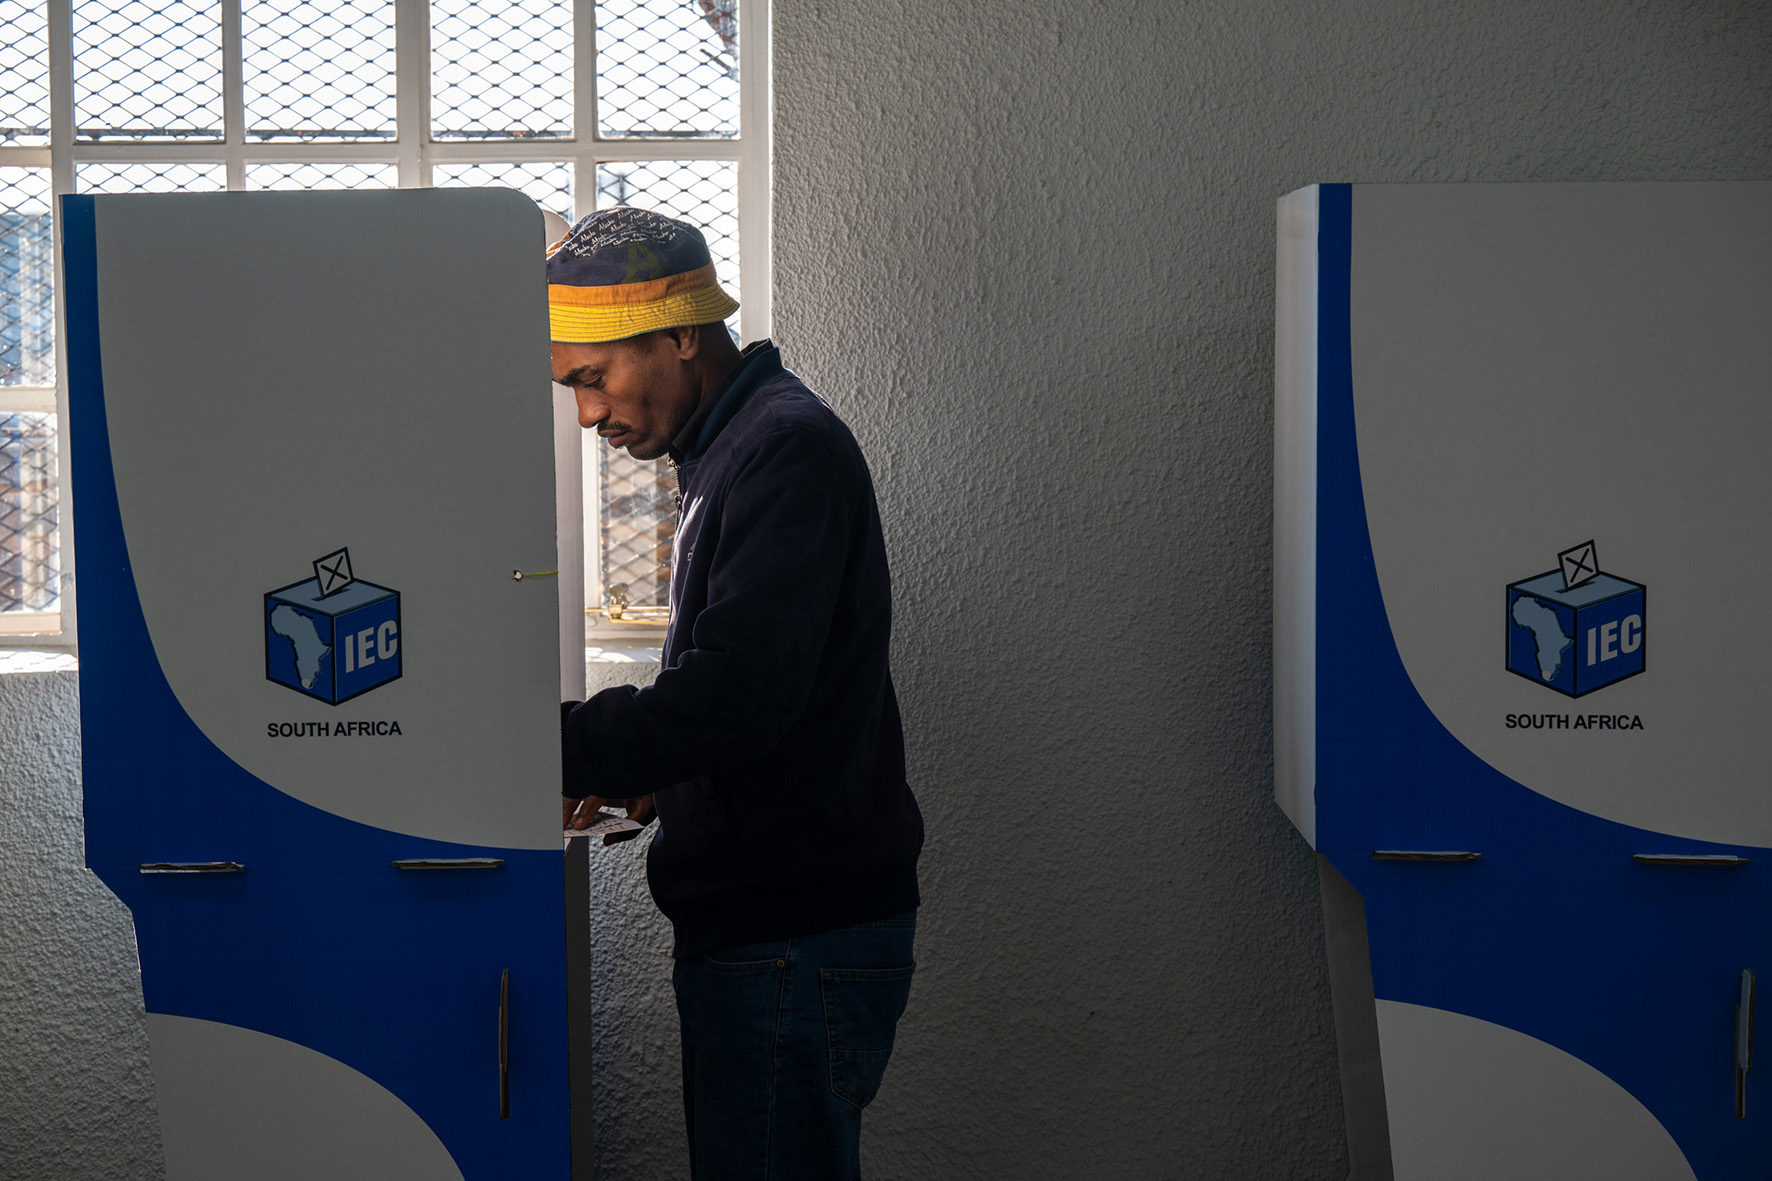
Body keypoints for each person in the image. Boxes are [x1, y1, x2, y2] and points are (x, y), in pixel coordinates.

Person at [550, 207, 925, 1180]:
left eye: (594, 378)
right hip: (776, 928)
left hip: (790, 934)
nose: (588, 415)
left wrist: (535, 743)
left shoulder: (781, 446)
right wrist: (663, 778)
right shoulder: (728, 447)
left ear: (680, 334)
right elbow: (762, 692)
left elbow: (738, 693)